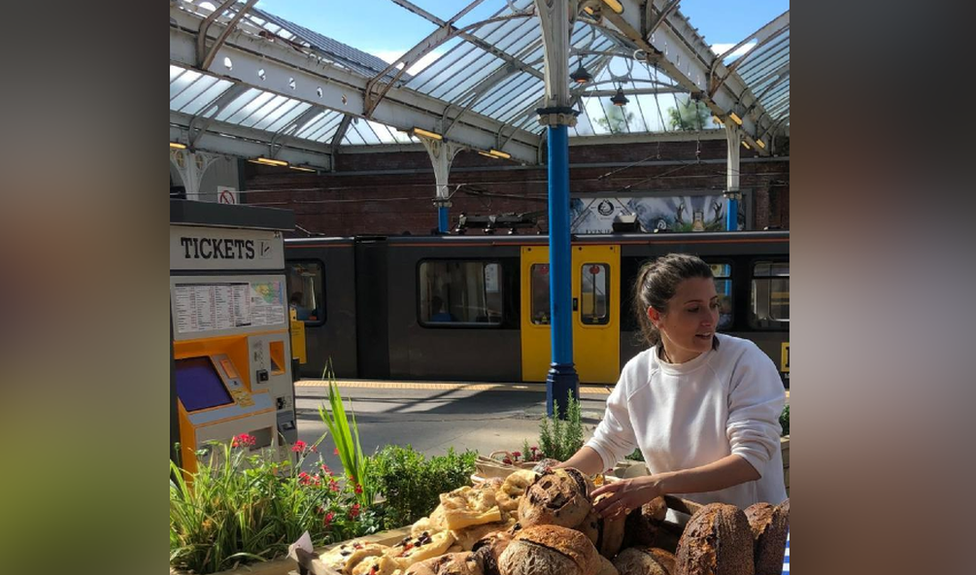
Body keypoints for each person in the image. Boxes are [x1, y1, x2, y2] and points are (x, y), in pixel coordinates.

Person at [555, 253, 787, 519]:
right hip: (680, 532)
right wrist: (557, 477)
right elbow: (607, 443)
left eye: (713, 304)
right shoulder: (638, 372)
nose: (710, 319)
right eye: (693, 309)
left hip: (753, 533)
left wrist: (657, 484)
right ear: (656, 316)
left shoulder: (745, 361)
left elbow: (750, 461)